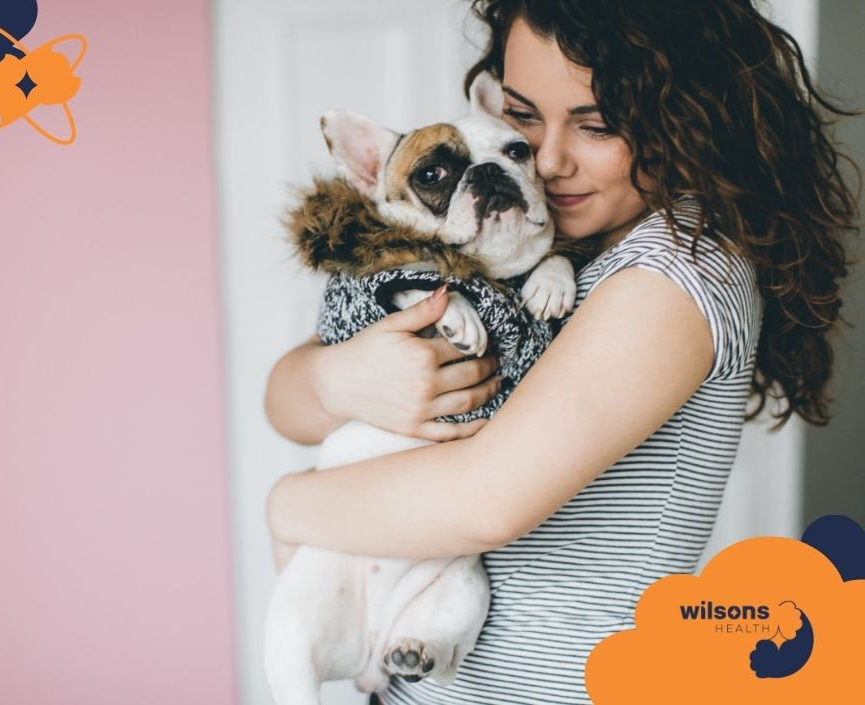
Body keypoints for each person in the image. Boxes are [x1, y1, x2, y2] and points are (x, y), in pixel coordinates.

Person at [264, 1, 859, 703]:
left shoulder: (677, 270)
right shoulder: (541, 230)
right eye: (522, 116)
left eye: (598, 125)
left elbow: (486, 502)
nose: (547, 160)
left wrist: (288, 502)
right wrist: (340, 379)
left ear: (690, 116)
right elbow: (288, 397)